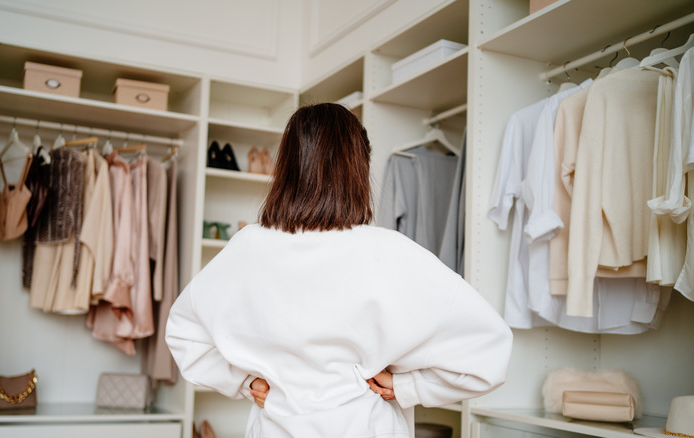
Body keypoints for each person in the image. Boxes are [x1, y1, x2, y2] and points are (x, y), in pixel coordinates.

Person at [166, 103, 513, 437]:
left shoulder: (246, 247)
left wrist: (244, 382)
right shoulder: (391, 251)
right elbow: (489, 352)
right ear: (358, 169)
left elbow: (183, 335)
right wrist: (409, 386)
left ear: (287, 165)